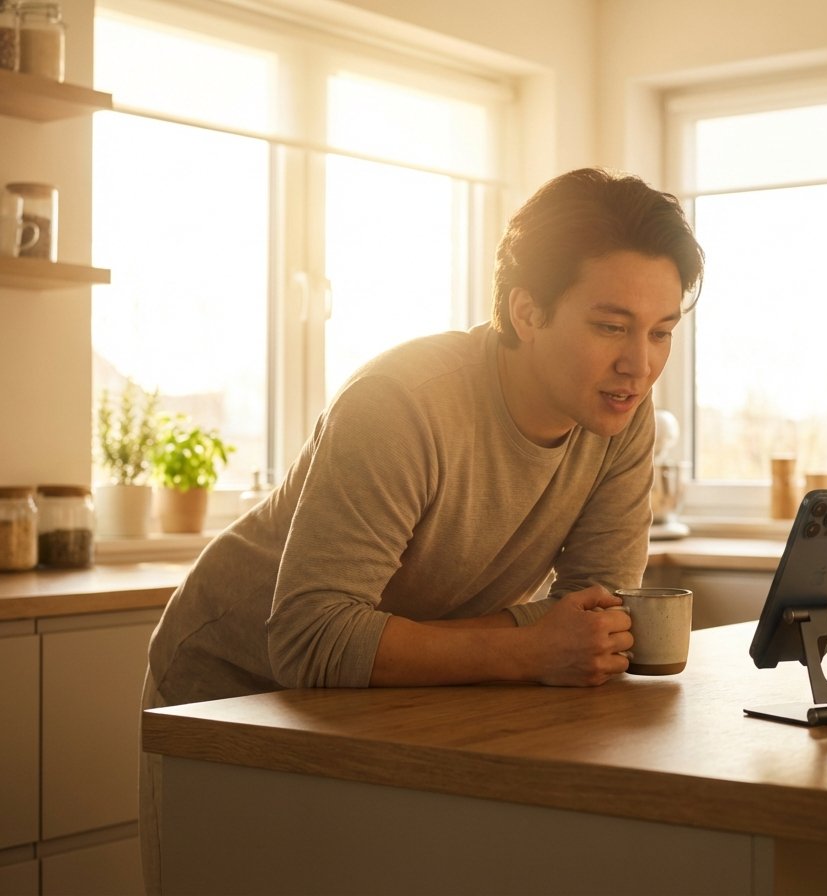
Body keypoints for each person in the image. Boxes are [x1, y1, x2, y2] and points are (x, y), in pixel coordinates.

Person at [139, 166, 703, 891]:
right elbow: (312, 636)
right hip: (232, 681)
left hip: (391, 690)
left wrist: (534, 643)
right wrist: (526, 646)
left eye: (661, 333)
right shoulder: (404, 403)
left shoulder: (621, 418)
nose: (641, 364)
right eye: (610, 326)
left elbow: (594, 620)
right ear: (527, 312)